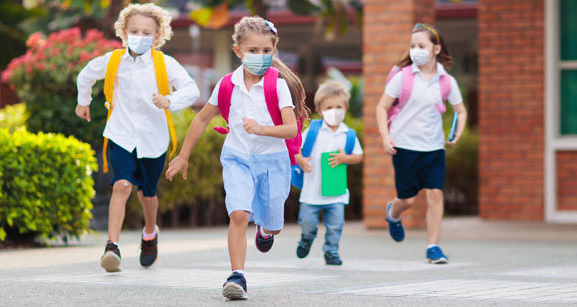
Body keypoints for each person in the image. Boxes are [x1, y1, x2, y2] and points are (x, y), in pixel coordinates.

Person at [164, 16, 309, 300]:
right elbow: (202, 119)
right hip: (237, 158)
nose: (260, 57)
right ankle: (237, 276)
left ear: (274, 50)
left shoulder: (277, 85)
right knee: (239, 213)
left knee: (274, 223)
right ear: (238, 51)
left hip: (273, 161)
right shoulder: (227, 85)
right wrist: (183, 156)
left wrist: (263, 129)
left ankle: (265, 231)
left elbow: (291, 127)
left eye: (266, 51)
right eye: (253, 51)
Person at [75, 3, 199, 272]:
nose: (140, 36)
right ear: (124, 32)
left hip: (153, 140)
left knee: (147, 195)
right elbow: (86, 75)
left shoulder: (164, 64)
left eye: (146, 32)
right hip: (120, 134)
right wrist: (82, 102)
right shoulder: (113, 60)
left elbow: (191, 88)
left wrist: (169, 100)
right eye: (134, 31)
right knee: (121, 185)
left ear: (157, 37)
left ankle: (150, 233)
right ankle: (112, 246)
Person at [375, 23, 467, 264]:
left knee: (435, 194)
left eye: (422, 45)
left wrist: (457, 132)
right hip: (404, 146)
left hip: (434, 148)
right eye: (413, 45)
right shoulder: (403, 77)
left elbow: (461, 110)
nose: (416, 50)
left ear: (436, 49)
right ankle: (393, 214)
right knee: (408, 200)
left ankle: (433, 247)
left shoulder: (447, 80)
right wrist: (386, 137)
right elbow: (381, 107)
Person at [294, 80, 363, 266]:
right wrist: (300, 159)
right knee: (307, 221)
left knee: (336, 225)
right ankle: (307, 237)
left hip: (336, 191)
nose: (335, 110)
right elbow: (295, 148)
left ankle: (331, 251)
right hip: (311, 190)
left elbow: (358, 156)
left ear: (346, 108)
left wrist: (345, 158)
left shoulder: (348, 134)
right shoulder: (314, 130)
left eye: (339, 106)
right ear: (320, 109)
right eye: (329, 107)